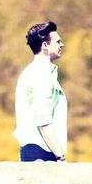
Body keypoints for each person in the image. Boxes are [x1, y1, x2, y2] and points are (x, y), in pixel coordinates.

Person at [13, 21, 67, 162]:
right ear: (45, 46)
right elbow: (44, 120)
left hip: (41, 150)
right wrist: (60, 156)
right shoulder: (40, 73)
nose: (62, 45)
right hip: (41, 151)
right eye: (58, 42)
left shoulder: (39, 71)